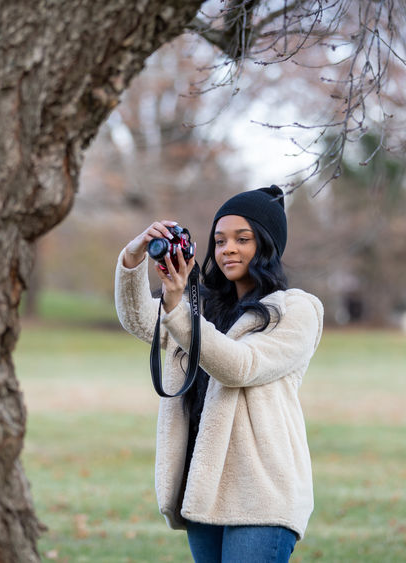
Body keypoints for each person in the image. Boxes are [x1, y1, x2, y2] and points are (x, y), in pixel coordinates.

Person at [114, 185, 324, 562]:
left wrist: (180, 309)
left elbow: (240, 366)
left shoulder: (296, 310)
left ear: (267, 244)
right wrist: (133, 257)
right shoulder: (201, 305)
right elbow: (140, 321)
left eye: (242, 239)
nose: (228, 248)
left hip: (261, 496)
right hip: (203, 491)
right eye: (219, 240)